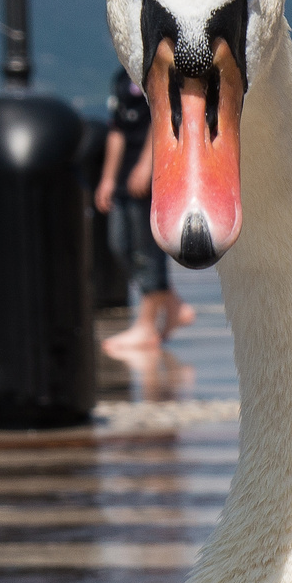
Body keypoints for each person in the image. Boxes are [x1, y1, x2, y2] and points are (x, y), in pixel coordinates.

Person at [95, 67, 195, 375]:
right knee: (120, 245)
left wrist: (146, 165)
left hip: (152, 174)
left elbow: (162, 117)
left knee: (146, 251)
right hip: (124, 178)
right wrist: (108, 179)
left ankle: (147, 325)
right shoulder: (120, 78)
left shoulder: (160, 71)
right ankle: (173, 304)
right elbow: (116, 129)